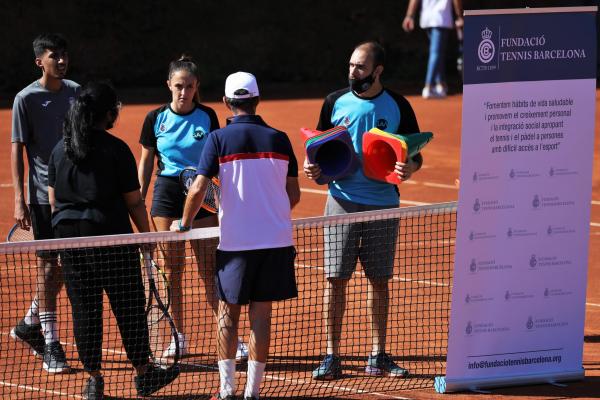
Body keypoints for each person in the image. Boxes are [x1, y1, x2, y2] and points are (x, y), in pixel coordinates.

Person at [171, 72, 300, 400]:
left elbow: (199, 186)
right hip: (275, 242)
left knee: (228, 314)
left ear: (227, 103)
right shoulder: (280, 139)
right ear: (257, 100)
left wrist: (184, 222)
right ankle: (253, 393)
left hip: (236, 245)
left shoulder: (217, 139)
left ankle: (227, 390)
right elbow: (293, 195)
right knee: (262, 316)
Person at [48, 81, 180, 399]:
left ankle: (93, 380)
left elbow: (54, 202)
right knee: (130, 308)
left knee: (84, 311)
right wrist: (147, 237)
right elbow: (134, 201)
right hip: (111, 240)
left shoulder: (58, 150)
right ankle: (144, 374)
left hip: (70, 243)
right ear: (107, 114)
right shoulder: (116, 149)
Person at [305, 41, 422, 380]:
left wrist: (409, 168)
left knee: (379, 281)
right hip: (340, 201)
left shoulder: (398, 105)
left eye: (360, 67)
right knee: (335, 280)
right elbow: (319, 150)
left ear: (377, 71)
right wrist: (314, 170)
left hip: (383, 204)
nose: (353, 72)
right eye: (351, 65)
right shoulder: (334, 102)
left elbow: (414, 153)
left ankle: (378, 355)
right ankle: (332, 355)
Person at [138, 56, 248, 360]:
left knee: (210, 271)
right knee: (171, 271)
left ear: (196, 86)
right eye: (178, 86)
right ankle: (178, 337)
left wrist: (224, 195)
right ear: (168, 86)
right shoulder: (155, 118)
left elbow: (217, 158)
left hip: (200, 194)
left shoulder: (208, 116)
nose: (183, 92)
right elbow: (147, 161)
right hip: (167, 195)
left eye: (189, 86)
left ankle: (230, 338)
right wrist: (138, 197)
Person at [10, 33, 79, 373]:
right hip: (41, 199)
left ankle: (29, 323)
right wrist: (19, 199)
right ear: (40, 61)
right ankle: (51, 343)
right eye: (55, 56)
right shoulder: (25, 99)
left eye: (64, 55)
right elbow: (17, 149)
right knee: (48, 267)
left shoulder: (76, 93)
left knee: (69, 265)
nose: (62, 61)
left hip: (76, 197)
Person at [402, 0, 464, 98]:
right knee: (436, 52)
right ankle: (428, 86)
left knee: (438, 53)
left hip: (427, 19)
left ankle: (440, 84)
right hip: (441, 19)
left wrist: (409, 16)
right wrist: (460, 16)